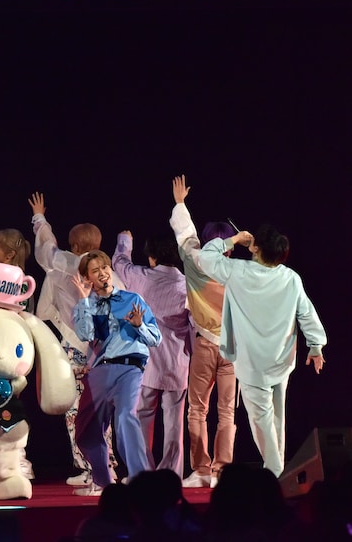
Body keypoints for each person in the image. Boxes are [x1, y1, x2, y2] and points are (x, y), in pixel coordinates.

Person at [199, 223, 327, 478]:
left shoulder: (237, 271)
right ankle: (279, 472)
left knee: (263, 420)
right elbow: (306, 312)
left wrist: (234, 239)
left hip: (252, 363)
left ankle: (275, 473)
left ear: (255, 248)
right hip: (281, 359)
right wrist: (315, 345)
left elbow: (206, 257)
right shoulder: (290, 278)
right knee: (275, 419)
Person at [28, 191, 124, 487]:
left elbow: (46, 252)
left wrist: (40, 218)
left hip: (73, 347)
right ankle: (107, 466)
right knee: (101, 409)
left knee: (75, 410)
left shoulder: (59, 268)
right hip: (104, 349)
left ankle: (86, 467)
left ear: (74, 245)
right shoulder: (108, 274)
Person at [72, 250, 161, 496]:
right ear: (87, 278)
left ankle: (140, 478)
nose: (102, 273)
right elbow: (86, 335)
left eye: (104, 267)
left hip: (130, 367)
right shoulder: (88, 305)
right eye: (95, 270)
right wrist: (84, 301)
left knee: (125, 416)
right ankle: (103, 482)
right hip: (100, 371)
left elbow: (156, 338)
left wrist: (139, 325)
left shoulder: (132, 299)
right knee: (85, 430)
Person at [169, 174, 237, 488]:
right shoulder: (238, 271)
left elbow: (186, 236)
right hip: (232, 348)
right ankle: (222, 471)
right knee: (226, 411)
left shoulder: (197, 263)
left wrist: (180, 203)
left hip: (207, 345)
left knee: (197, 409)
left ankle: (202, 471)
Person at [112, 229, 191, 479]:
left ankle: (142, 474)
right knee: (174, 424)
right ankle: (171, 476)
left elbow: (119, 263)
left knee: (141, 419)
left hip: (146, 363)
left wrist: (125, 241)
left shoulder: (142, 278)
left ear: (152, 256)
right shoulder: (187, 285)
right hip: (177, 362)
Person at [0, 226, 36, 480]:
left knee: (6, 407)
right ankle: (5, 463)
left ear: (9, 255)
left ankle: (20, 463)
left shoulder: (19, 282)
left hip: (9, 353)